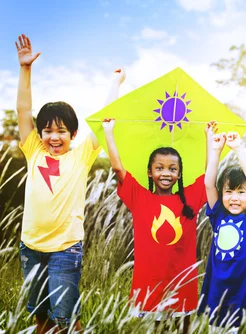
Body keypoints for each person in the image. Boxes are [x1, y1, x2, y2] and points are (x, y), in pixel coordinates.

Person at [15, 33, 117, 332]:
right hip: (30, 247)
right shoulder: (33, 151)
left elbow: (103, 119)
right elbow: (23, 111)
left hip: (65, 250)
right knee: (40, 315)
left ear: (73, 134)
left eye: (61, 131)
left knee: (67, 320)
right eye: (47, 130)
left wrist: (114, 84)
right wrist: (25, 69)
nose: (54, 137)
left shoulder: (81, 156)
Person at [103, 116, 207, 333]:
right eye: (159, 168)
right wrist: (109, 132)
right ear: (150, 172)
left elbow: (209, 177)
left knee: (183, 330)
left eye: (172, 169)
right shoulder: (139, 198)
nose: (166, 173)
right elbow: (117, 168)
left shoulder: (189, 198)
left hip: (183, 286)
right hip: (150, 286)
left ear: (179, 174)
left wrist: (210, 140)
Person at [198, 124, 246, 332]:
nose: (234, 198)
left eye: (241, 192)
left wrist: (238, 148)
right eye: (229, 191)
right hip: (220, 293)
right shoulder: (218, 213)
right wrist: (216, 151)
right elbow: (209, 183)